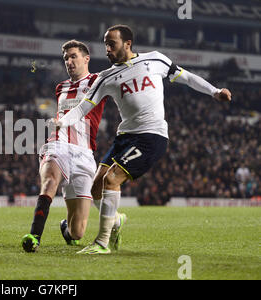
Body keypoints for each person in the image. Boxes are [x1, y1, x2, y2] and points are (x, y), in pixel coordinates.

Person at [54, 25, 232, 254]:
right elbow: (82, 108)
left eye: (112, 44)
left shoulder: (155, 60)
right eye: (105, 44)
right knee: (95, 186)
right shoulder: (105, 77)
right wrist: (62, 122)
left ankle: (102, 242)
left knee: (111, 180)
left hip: (151, 136)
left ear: (127, 43)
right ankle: (116, 220)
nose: (107, 49)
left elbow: (187, 77)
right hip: (124, 137)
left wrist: (215, 91)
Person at [21, 40, 125, 252]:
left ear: (86, 59)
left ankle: (65, 227)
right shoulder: (61, 87)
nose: (69, 61)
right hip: (58, 144)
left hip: (85, 154)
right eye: (66, 58)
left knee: (77, 232)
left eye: (73, 56)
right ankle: (34, 235)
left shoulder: (98, 80)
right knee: (50, 180)